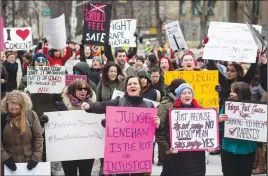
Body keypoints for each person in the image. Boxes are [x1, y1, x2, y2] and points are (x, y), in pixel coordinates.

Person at [81, 75, 160, 176]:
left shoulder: (149, 106)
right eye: (129, 84)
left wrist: (157, 124)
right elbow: (102, 106)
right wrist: (90, 106)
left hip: (139, 153)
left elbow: (154, 131)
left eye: (135, 83)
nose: (132, 85)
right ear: (126, 88)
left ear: (140, 87)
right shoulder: (119, 101)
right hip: (122, 153)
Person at [49, 79, 96, 176]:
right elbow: (54, 126)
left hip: (87, 151)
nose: (83, 91)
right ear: (73, 90)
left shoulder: (93, 105)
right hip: (68, 151)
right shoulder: (61, 106)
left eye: (85, 88)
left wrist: (103, 122)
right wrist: (46, 120)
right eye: (80, 88)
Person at [165, 83, 210, 176]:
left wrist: (210, 143)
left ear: (192, 95)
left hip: (197, 155)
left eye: (189, 93)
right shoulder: (173, 112)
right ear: (179, 97)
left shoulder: (201, 111)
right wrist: (171, 145)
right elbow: (166, 131)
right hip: (179, 155)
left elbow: (208, 130)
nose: (187, 95)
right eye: (184, 93)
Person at [219, 82, 257, 176]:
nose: (230, 93)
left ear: (241, 93)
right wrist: (219, 119)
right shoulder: (227, 106)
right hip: (228, 148)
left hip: (247, 149)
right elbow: (218, 122)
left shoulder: (255, 108)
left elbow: (259, 124)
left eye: (233, 92)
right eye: (231, 91)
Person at [1, 90, 43, 172]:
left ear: (23, 106)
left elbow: (38, 137)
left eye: (17, 109)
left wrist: (36, 158)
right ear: (7, 106)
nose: (14, 111)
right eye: (11, 109)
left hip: (28, 162)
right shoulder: (2, 118)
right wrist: (5, 159)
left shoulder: (31, 115)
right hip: (7, 164)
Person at [156, 78, 186, 176]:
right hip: (169, 150)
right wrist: (167, 150)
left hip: (181, 151)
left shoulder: (184, 104)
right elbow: (159, 131)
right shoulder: (165, 105)